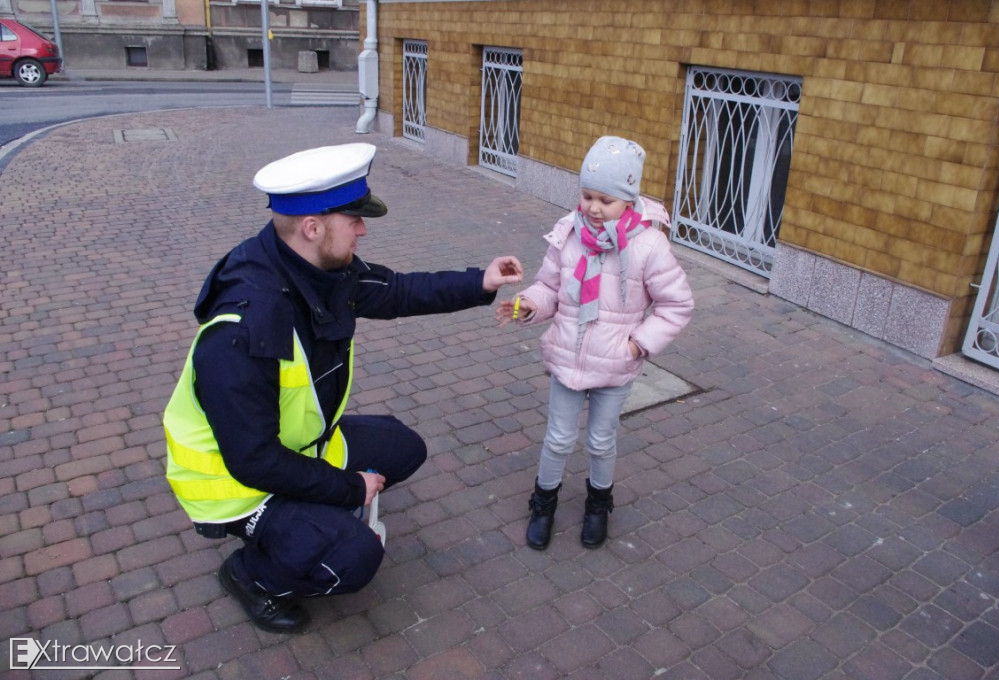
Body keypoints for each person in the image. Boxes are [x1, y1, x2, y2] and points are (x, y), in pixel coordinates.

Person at [164, 143, 523, 633]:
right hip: (236, 487)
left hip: (297, 444)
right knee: (355, 557)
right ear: (312, 227)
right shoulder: (245, 330)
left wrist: (479, 282)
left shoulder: (316, 266)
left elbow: (395, 290)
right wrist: (349, 487)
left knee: (403, 447)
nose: (363, 228)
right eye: (352, 218)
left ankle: (309, 517)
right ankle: (251, 575)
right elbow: (253, 461)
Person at [497, 136, 695, 550]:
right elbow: (549, 287)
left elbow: (676, 304)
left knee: (601, 441)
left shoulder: (649, 245)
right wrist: (528, 304)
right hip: (567, 356)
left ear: (627, 198)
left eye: (605, 200)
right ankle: (543, 503)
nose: (592, 208)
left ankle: (598, 504)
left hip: (616, 365)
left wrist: (638, 344)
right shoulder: (568, 233)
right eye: (587, 196)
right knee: (558, 438)